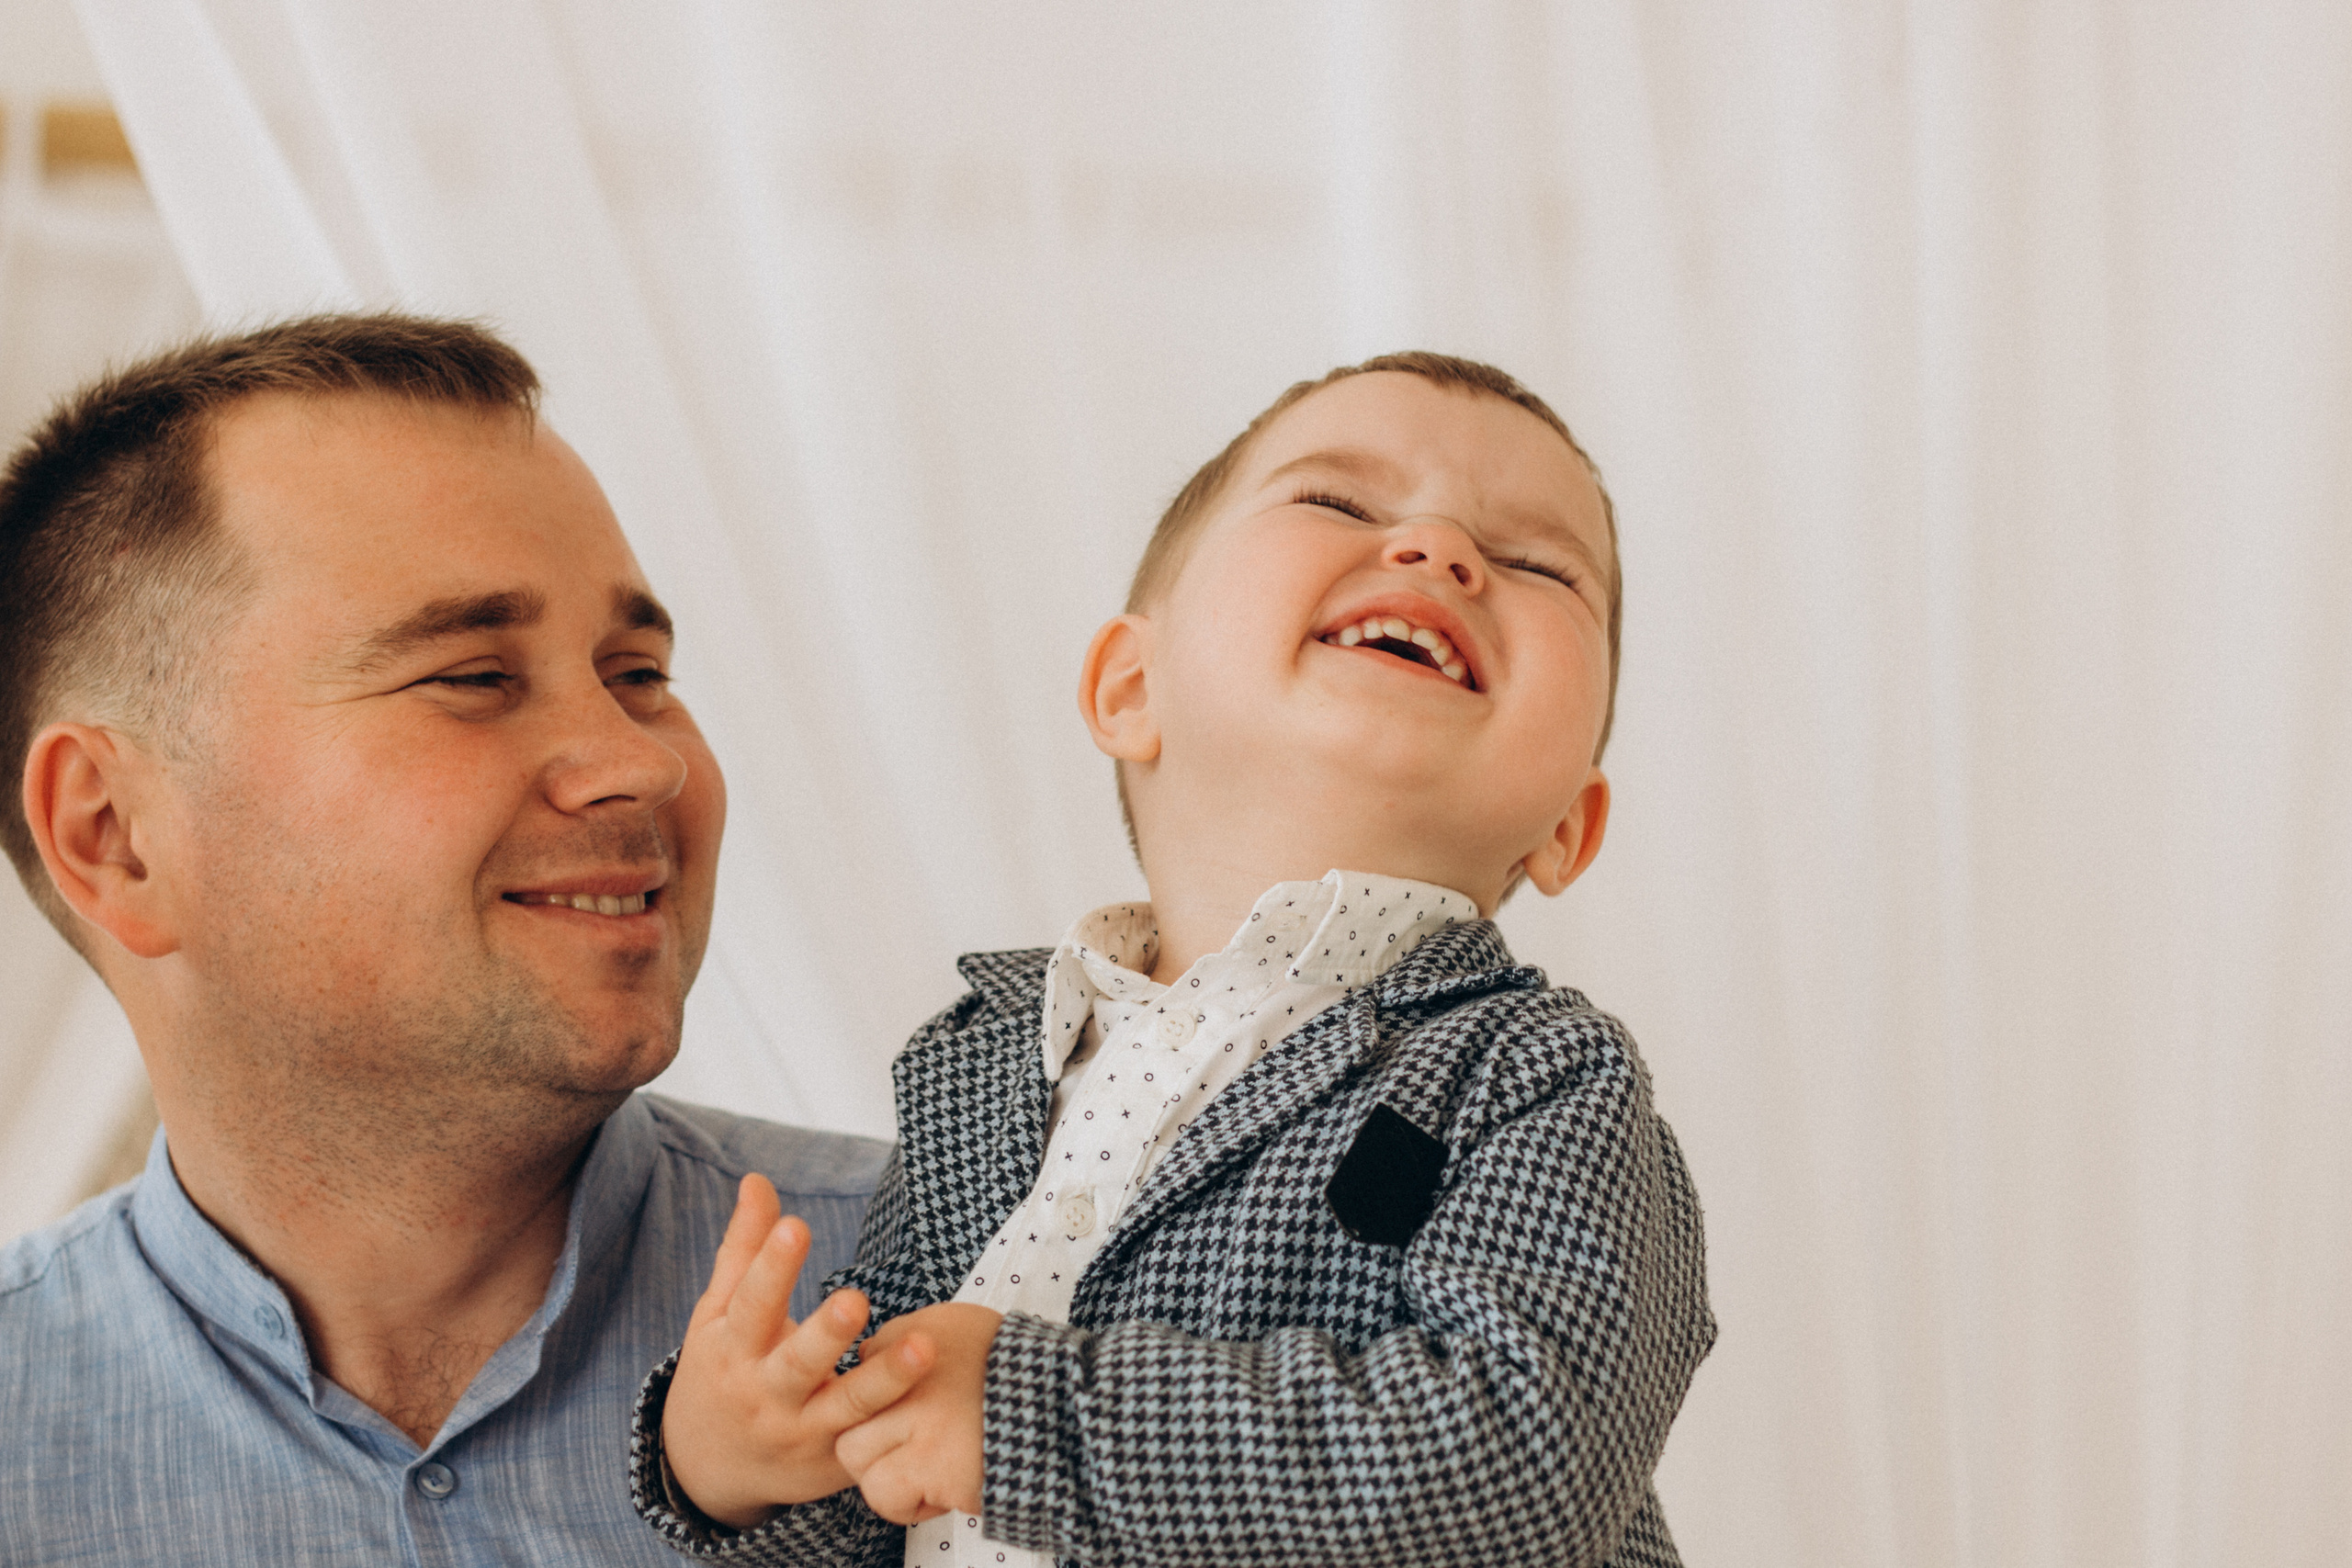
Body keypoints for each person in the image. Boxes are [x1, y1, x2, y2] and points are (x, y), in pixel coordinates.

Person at [628, 353, 1716, 1566]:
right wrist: (747, 1473)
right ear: (1133, 684)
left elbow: (1523, 1465)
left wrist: (1027, 1424)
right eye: (1341, 504)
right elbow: (900, 1467)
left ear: (1568, 822)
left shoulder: (1548, 1083)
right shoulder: (982, 1069)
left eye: (1534, 564)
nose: (1445, 552)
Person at [0, 314, 911, 1566]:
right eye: (475, 676)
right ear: (115, 836)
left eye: (637, 671)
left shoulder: (1002, 1295)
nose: (638, 762)